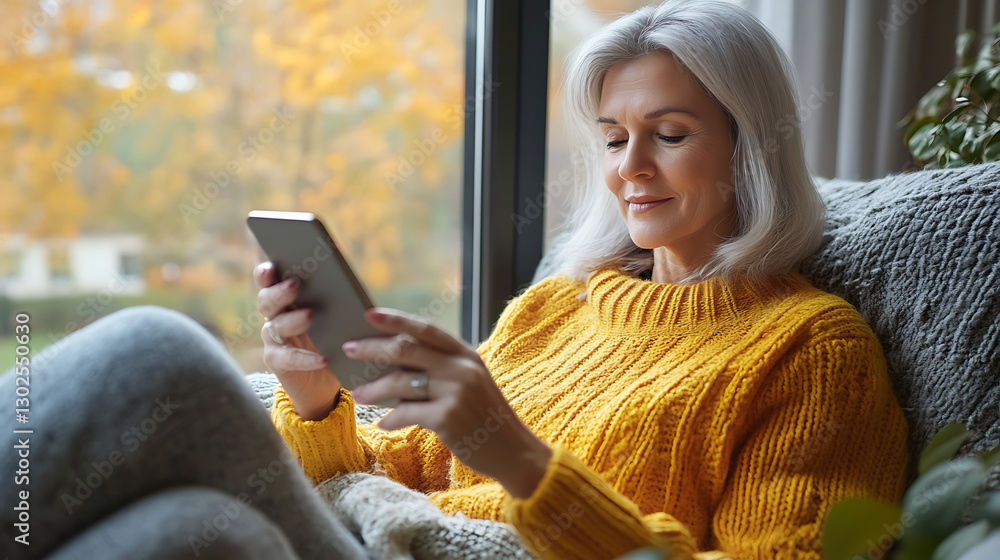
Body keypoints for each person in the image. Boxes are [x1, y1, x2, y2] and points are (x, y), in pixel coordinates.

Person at [0, 1, 908, 559]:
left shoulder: (814, 352)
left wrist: (517, 457)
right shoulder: (561, 306)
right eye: (613, 137)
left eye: (668, 134)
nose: (631, 166)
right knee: (189, 536)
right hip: (382, 537)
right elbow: (404, 466)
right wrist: (316, 397)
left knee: (159, 351)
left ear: (752, 147)